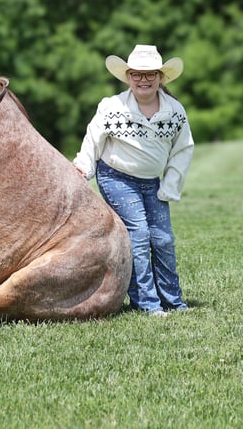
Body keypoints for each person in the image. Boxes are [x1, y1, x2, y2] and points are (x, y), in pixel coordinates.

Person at [73, 44, 193, 316]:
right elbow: (94, 139)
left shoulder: (174, 111)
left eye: (150, 74)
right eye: (137, 74)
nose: (144, 80)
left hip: (152, 182)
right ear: (128, 77)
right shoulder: (112, 107)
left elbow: (183, 148)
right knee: (138, 234)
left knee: (162, 239)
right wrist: (83, 166)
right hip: (117, 177)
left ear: (160, 78)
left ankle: (173, 300)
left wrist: (170, 185)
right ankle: (147, 302)